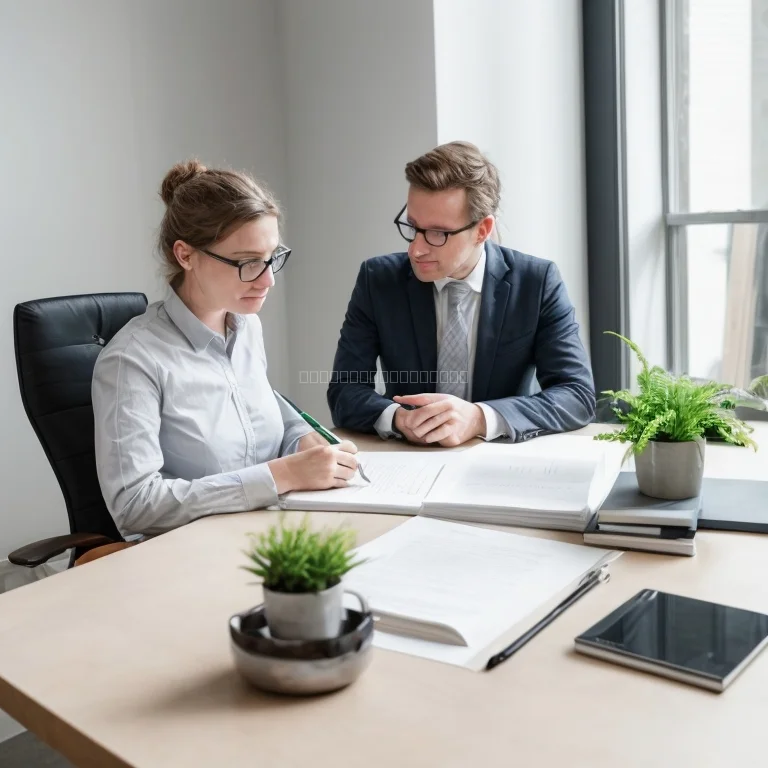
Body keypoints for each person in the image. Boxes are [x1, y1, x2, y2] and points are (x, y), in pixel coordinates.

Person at [93, 161, 358, 537]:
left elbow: (264, 421)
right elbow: (135, 507)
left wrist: (302, 439)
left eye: (271, 258)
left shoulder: (246, 326)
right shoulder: (132, 361)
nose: (267, 279)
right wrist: (280, 474)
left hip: (267, 529)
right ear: (186, 255)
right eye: (247, 263)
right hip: (189, 553)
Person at [327, 141, 595, 447]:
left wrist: (480, 418)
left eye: (438, 234)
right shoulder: (378, 281)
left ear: (482, 230)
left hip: (501, 461)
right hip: (407, 463)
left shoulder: (536, 283)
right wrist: (397, 418)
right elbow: (344, 390)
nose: (416, 248)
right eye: (413, 226)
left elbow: (576, 394)